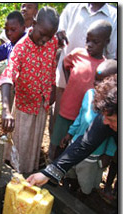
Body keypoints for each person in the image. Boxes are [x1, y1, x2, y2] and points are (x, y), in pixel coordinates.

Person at [27, 74, 117, 188]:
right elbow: (83, 145)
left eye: (110, 119)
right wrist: (48, 173)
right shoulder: (107, 117)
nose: (104, 122)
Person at [49, 3, 117, 151]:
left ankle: (70, 170)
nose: (89, 45)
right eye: (88, 40)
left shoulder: (104, 66)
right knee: (58, 137)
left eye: (95, 42)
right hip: (67, 106)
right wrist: (70, 82)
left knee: (77, 141)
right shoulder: (78, 53)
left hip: (86, 112)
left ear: (106, 42)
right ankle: (51, 161)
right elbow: (65, 64)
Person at [0, 6, 59, 174]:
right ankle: (16, 173)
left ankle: (30, 170)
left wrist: (52, 88)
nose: (45, 40)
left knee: (34, 141)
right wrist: (5, 110)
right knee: (21, 142)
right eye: (42, 34)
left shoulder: (52, 41)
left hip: (42, 103)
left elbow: (52, 65)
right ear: (33, 23)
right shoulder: (21, 47)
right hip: (24, 105)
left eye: (50, 35)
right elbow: (7, 75)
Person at [59, 59, 117, 195]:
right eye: (96, 79)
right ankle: (71, 186)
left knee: (86, 178)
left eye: (102, 81)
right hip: (77, 144)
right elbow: (80, 116)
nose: (97, 84)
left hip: (93, 155)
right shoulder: (89, 95)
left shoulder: (113, 110)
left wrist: (108, 154)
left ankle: (84, 194)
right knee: (72, 170)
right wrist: (70, 133)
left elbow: (113, 138)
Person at [0, 3, 39, 113]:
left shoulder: (33, 33)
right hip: (11, 74)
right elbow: (0, 49)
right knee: (1, 80)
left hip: (26, 83)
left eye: (29, 7)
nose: (9, 33)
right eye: (7, 30)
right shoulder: (11, 41)